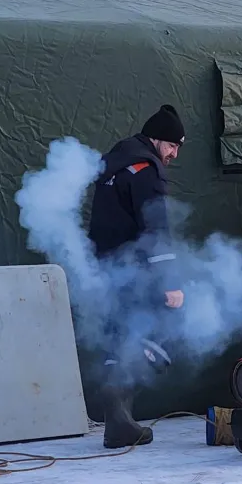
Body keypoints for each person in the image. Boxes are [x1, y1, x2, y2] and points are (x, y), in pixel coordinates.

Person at [86, 104, 186, 448]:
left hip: (108, 269)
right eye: (172, 146)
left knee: (120, 334)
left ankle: (119, 424)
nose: (173, 154)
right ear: (156, 140)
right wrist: (170, 282)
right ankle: (118, 401)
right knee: (166, 330)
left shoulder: (115, 164)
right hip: (137, 271)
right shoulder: (147, 168)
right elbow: (156, 227)